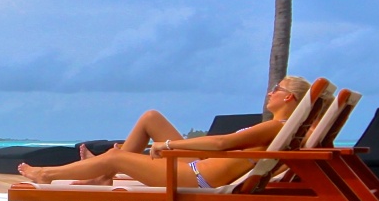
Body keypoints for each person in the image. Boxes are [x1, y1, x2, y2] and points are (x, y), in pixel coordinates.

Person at [17, 76, 312, 189]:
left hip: (196, 177)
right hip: (198, 166)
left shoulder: (275, 126)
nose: (270, 92)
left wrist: (168, 145)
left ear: (289, 97)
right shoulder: (282, 128)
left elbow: (223, 142)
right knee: (151, 117)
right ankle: (103, 175)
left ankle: (47, 174)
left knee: (116, 156)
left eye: (277, 89)